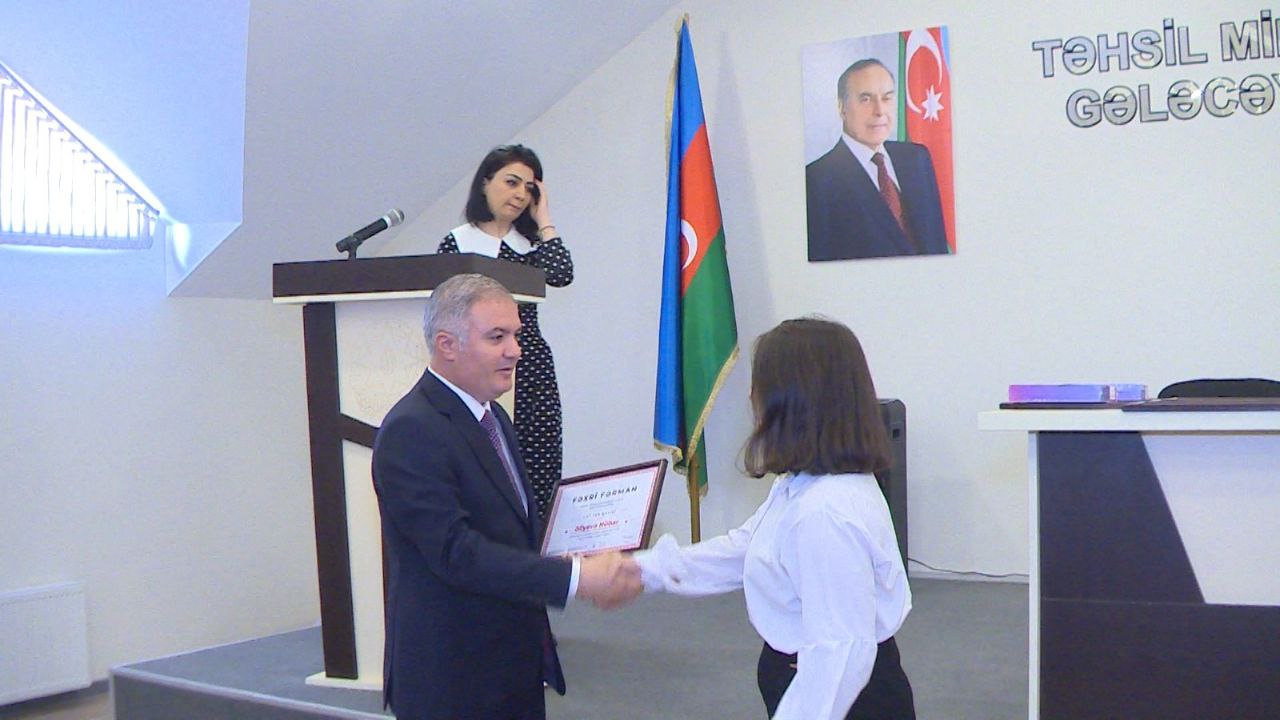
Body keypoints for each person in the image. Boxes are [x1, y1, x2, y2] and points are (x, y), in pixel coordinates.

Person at [372, 273, 641, 720]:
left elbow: (509, 528)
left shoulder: (493, 415)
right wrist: (576, 577)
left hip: (511, 663)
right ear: (447, 345)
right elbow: (456, 553)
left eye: (516, 335)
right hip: (454, 677)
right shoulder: (412, 429)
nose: (516, 350)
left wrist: (577, 544)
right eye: (497, 337)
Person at [633, 317, 915, 720]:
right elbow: (747, 547)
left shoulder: (826, 512)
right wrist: (644, 571)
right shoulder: (806, 484)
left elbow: (839, 656)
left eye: (761, 384)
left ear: (794, 400)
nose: (751, 396)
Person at [437, 144, 572, 519]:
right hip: (476, 365)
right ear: (485, 183)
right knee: (485, 465)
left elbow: (561, 273)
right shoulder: (457, 242)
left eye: (529, 188)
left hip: (530, 366)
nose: (520, 194)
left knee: (538, 463)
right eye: (511, 182)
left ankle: (537, 541)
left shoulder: (530, 246)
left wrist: (544, 218)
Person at [806, 58, 949, 261]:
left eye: (887, 98)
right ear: (841, 107)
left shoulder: (917, 158)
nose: (880, 111)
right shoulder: (816, 181)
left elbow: (937, 243)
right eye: (866, 99)